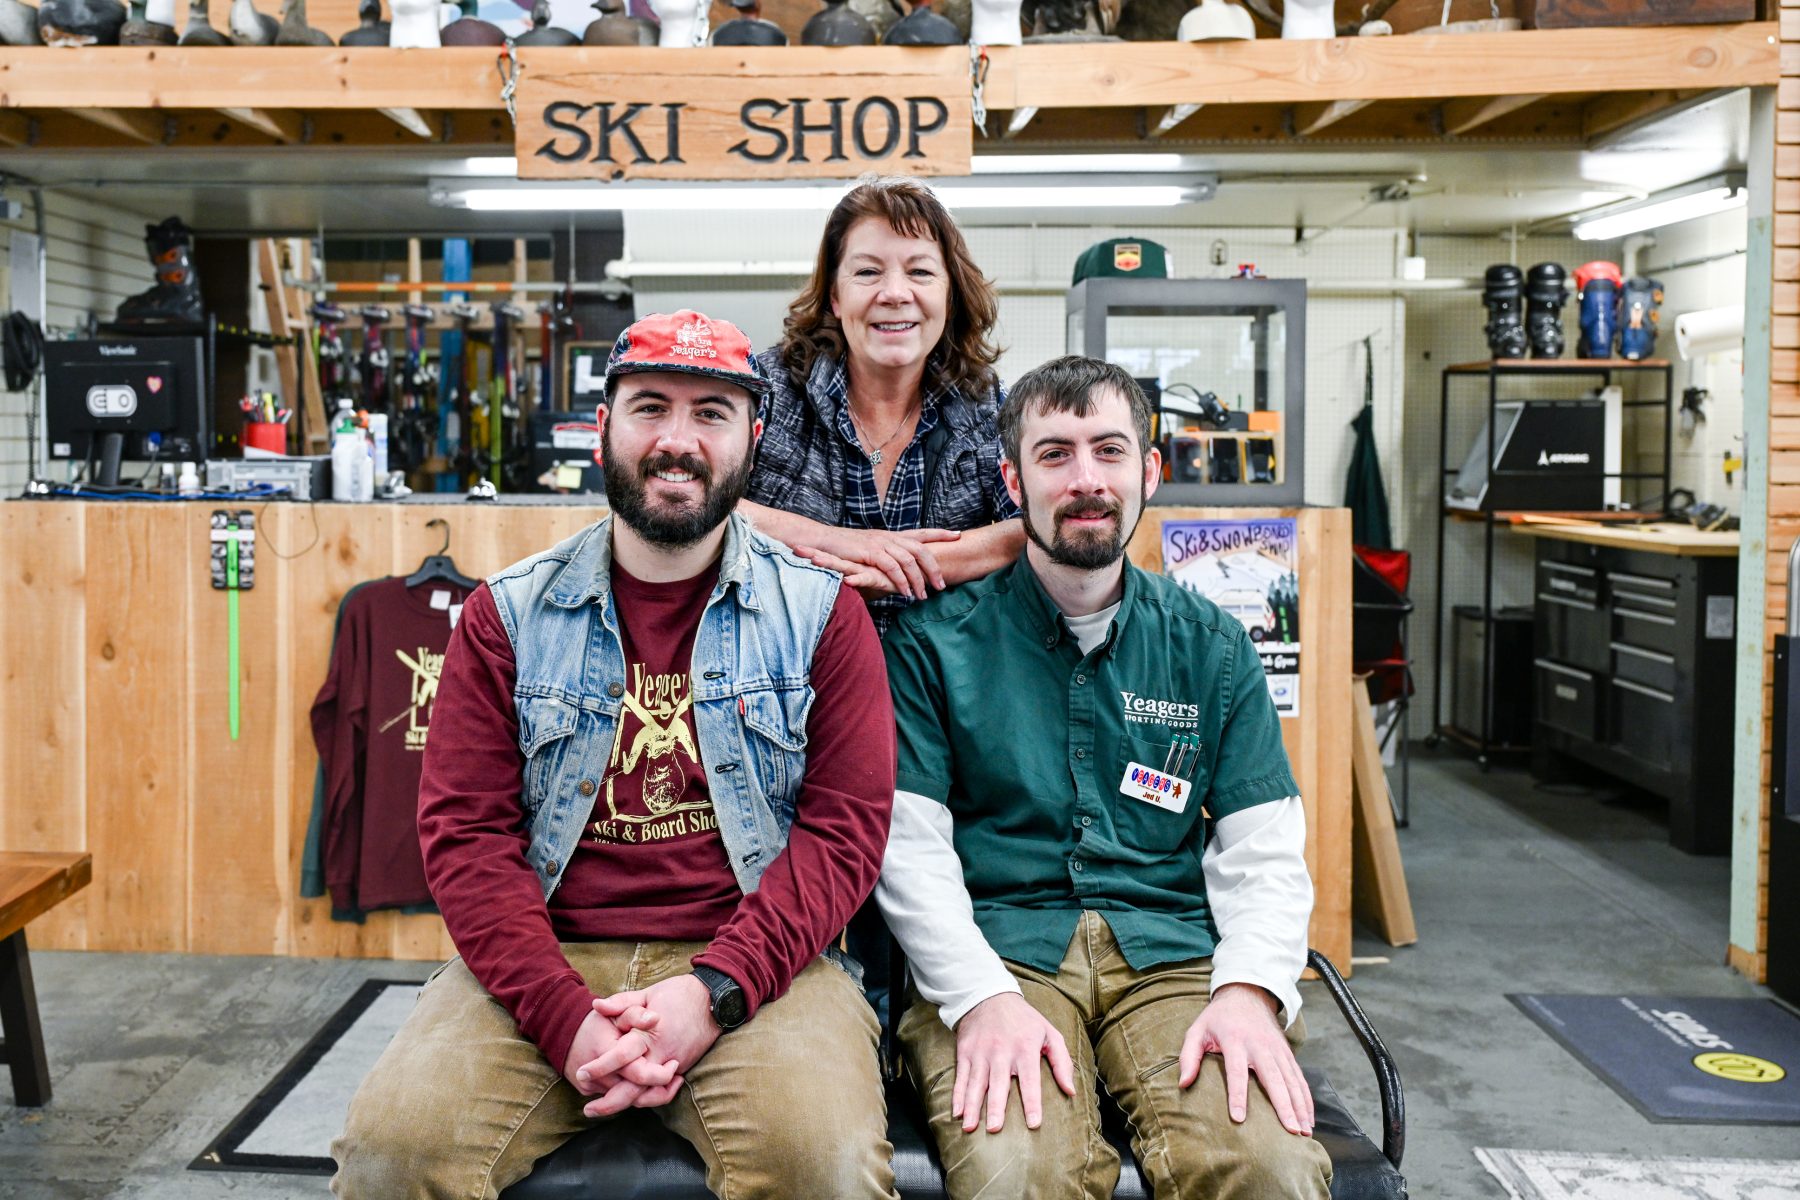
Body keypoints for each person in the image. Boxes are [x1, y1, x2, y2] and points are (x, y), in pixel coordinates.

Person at [332, 310, 900, 1200]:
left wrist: (713, 991)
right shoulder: (508, 616)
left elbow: (844, 838)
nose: (677, 441)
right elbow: (466, 836)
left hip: (756, 960)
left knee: (819, 1164)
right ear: (603, 431)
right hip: (546, 952)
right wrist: (563, 1020)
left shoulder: (825, 616)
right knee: (394, 1153)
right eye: (650, 408)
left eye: (711, 413)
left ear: (752, 441)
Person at [874, 355, 1333, 1200]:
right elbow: (907, 851)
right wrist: (977, 999)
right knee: (1017, 1171)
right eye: (1054, 454)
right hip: (1002, 955)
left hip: (1174, 961)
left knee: (1268, 1168)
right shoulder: (933, 644)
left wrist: (1250, 991)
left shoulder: (1214, 647)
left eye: (1109, 450)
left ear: (1149, 471)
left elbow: (1263, 853)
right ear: (1012, 481)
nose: (1086, 479)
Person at [742, 175, 1025, 634]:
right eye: (868, 272)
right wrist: (847, 543)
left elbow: (1038, 527)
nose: (895, 293)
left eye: (920, 272)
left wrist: (906, 564)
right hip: (784, 684)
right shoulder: (765, 390)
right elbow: (702, 505)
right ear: (835, 295)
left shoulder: (987, 408)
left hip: (936, 691)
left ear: (949, 294)